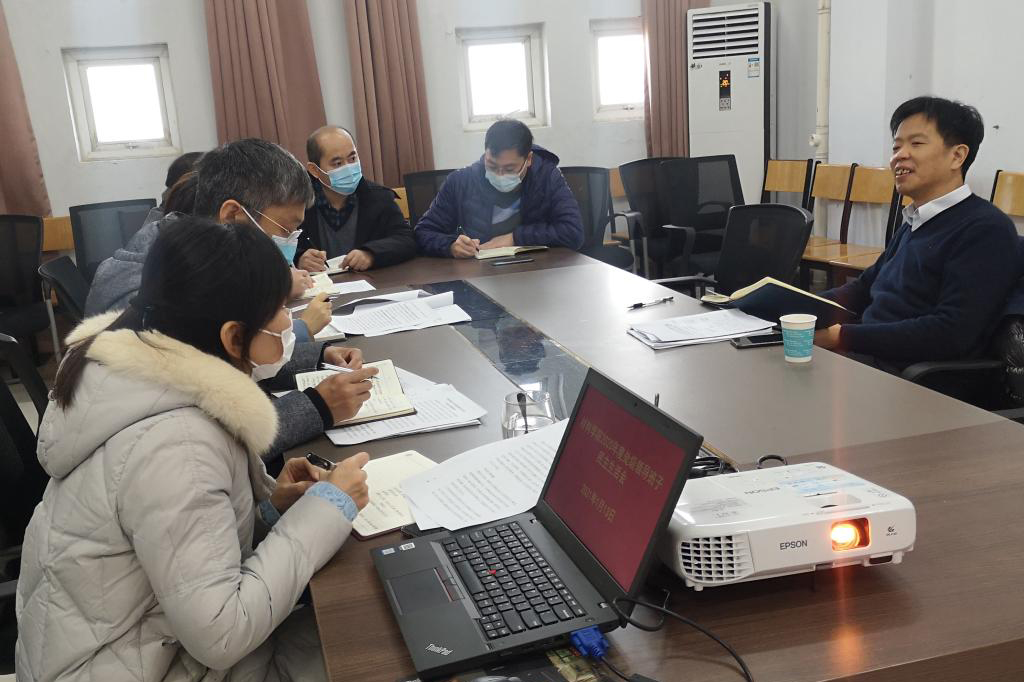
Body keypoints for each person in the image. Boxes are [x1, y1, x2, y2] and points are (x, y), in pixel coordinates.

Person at [16, 218, 373, 681]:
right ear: (232, 337)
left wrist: (268, 510)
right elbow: (223, 635)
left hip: (128, 646)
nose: (291, 323)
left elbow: (181, 549)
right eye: (279, 312)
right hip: (133, 664)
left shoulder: (140, 381)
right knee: (370, 643)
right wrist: (328, 508)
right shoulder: (177, 445)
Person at [85, 138, 375, 456]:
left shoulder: (203, 261)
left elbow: (233, 360)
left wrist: (318, 357)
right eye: (285, 230)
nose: (289, 244)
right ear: (234, 216)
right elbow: (207, 438)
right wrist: (318, 406)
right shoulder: (157, 295)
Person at [815, 96, 1020, 368]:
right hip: (868, 358)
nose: (899, 155)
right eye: (896, 146)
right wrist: (796, 307)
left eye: (916, 144)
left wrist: (841, 337)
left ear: (957, 156)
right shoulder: (916, 219)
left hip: (912, 377)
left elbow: (951, 333)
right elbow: (864, 288)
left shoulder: (986, 230)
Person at [413, 119, 584, 258]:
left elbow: (573, 232)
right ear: (485, 154)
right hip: (480, 273)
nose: (500, 174)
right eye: (492, 165)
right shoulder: (461, 182)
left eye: (509, 169)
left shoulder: (547, 177)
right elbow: (423, 232)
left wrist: (515, 238)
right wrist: (450, 246)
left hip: (538, 272)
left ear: (529, 159)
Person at [295, 125, 416, 273]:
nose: (348, 168)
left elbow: (407, 239)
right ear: (315, 170)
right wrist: (299, 258)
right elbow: (276, 246)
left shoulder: (378, 197)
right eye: (338, 163)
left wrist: (371, 253)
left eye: (352, 158)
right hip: (317, 285)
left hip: (371, 281)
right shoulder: (296, 202)